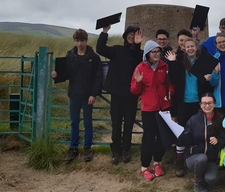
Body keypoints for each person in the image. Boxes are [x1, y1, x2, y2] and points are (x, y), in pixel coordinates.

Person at [52, 29, 103, 163]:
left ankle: (87, 147)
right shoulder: (70, 56)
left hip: (87, 96)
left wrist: (93, 94)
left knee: (87, 123)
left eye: (82, 41)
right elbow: (66, 73)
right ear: (74, 41)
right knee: (74, 123)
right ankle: (73, 148)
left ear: (86, 40)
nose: (80, 43)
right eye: (77, 41)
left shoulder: (94, 57)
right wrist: (56, 75)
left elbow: (98, 77)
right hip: (74, 94)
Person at [165, 37, 213, 177]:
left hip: (198, 102)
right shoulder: (180, 62)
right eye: (188, 47)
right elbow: (173, 79)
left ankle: (197, 159)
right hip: (183, 102)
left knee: (199, 131)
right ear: (184, 48)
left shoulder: (202, 61)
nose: (190, 48)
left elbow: (205, 85)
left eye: (192, 46)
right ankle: (179, 161)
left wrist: (208, 79)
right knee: (181, 132)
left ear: (196, 47)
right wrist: (173, 63)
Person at [96, 24, 144, 165]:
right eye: (130, 33)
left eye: (135, 34)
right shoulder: (117, 50)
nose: (132, 36)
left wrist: (136, 45)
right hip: (117, 93)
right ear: (125, 36)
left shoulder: (139, 54)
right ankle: (116, 151)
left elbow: (141, 67)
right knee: (116, 124)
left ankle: (126, 150)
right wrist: (105, 32)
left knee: (129, 124)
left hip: (131, 95)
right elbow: (100, 49)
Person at [130, 41, 174, 181]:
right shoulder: (140, 68)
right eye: (154, 52)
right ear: (147, 53)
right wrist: (138, 82)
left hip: (164, 107)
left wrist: (170, 92)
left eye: (158, 52)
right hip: (149, 108)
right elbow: (134, 90)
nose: (157, 54)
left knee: (162, 137)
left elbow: (171, 84)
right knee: (148, 138)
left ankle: (157, 162)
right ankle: (144, 166)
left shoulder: (165, 66)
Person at [177, 93, 225, 192]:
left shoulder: (220, 119)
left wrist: (218, 141)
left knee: (212, 179)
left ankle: (202, 174)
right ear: (200, 104)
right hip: (194, 158)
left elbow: (224, 139)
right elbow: (186, 139)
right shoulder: (193, 120)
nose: (207, 106)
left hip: (210, 159)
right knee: (202, 158)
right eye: (204, 103)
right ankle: (197, 183)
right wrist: (178, 138)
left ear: (215, 104)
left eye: (210, 103)